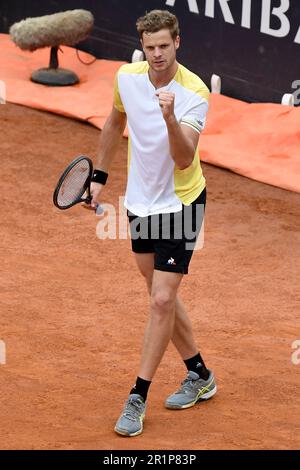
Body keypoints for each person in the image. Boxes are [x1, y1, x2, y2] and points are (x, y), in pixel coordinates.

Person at [90, 9, 217, 437]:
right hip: (141, 203)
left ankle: (137, 396)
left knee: (162, 299)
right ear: (141, 47)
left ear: (177, 42)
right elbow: (114, 121)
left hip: (182, 202)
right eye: (150, 47)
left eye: (165, 45)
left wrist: (168, 115)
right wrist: (99, 177)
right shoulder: (127, 77)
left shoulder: (194, 91)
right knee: (158, 294)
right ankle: (199, 373)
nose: (158, 54)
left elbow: (184, 158)